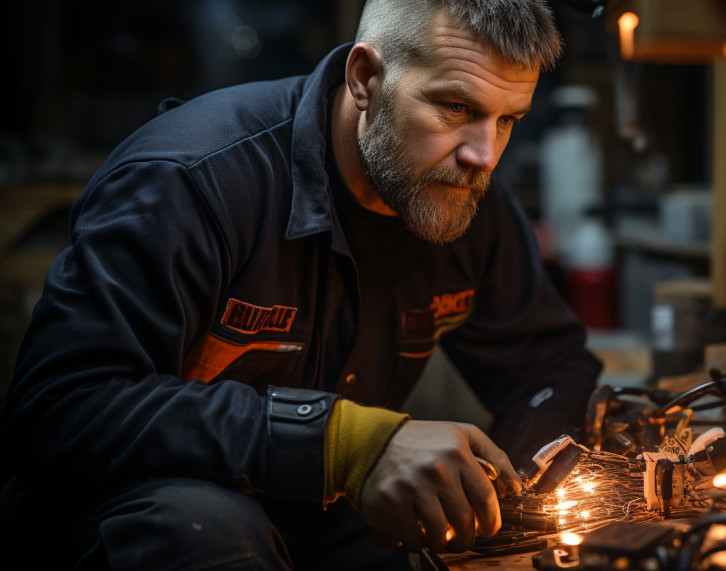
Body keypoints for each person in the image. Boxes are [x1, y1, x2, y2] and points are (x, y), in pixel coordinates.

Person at [0, 0, 601, 568]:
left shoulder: (462, 197)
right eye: (457, 109)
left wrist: (529, 485)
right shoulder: (193, 181)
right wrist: (342, 444)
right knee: (207, 530)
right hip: (132, 515)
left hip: (313, 518)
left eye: (508, 119)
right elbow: (60, 408)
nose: (485, 156)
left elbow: (545, 364)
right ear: (365, 78)